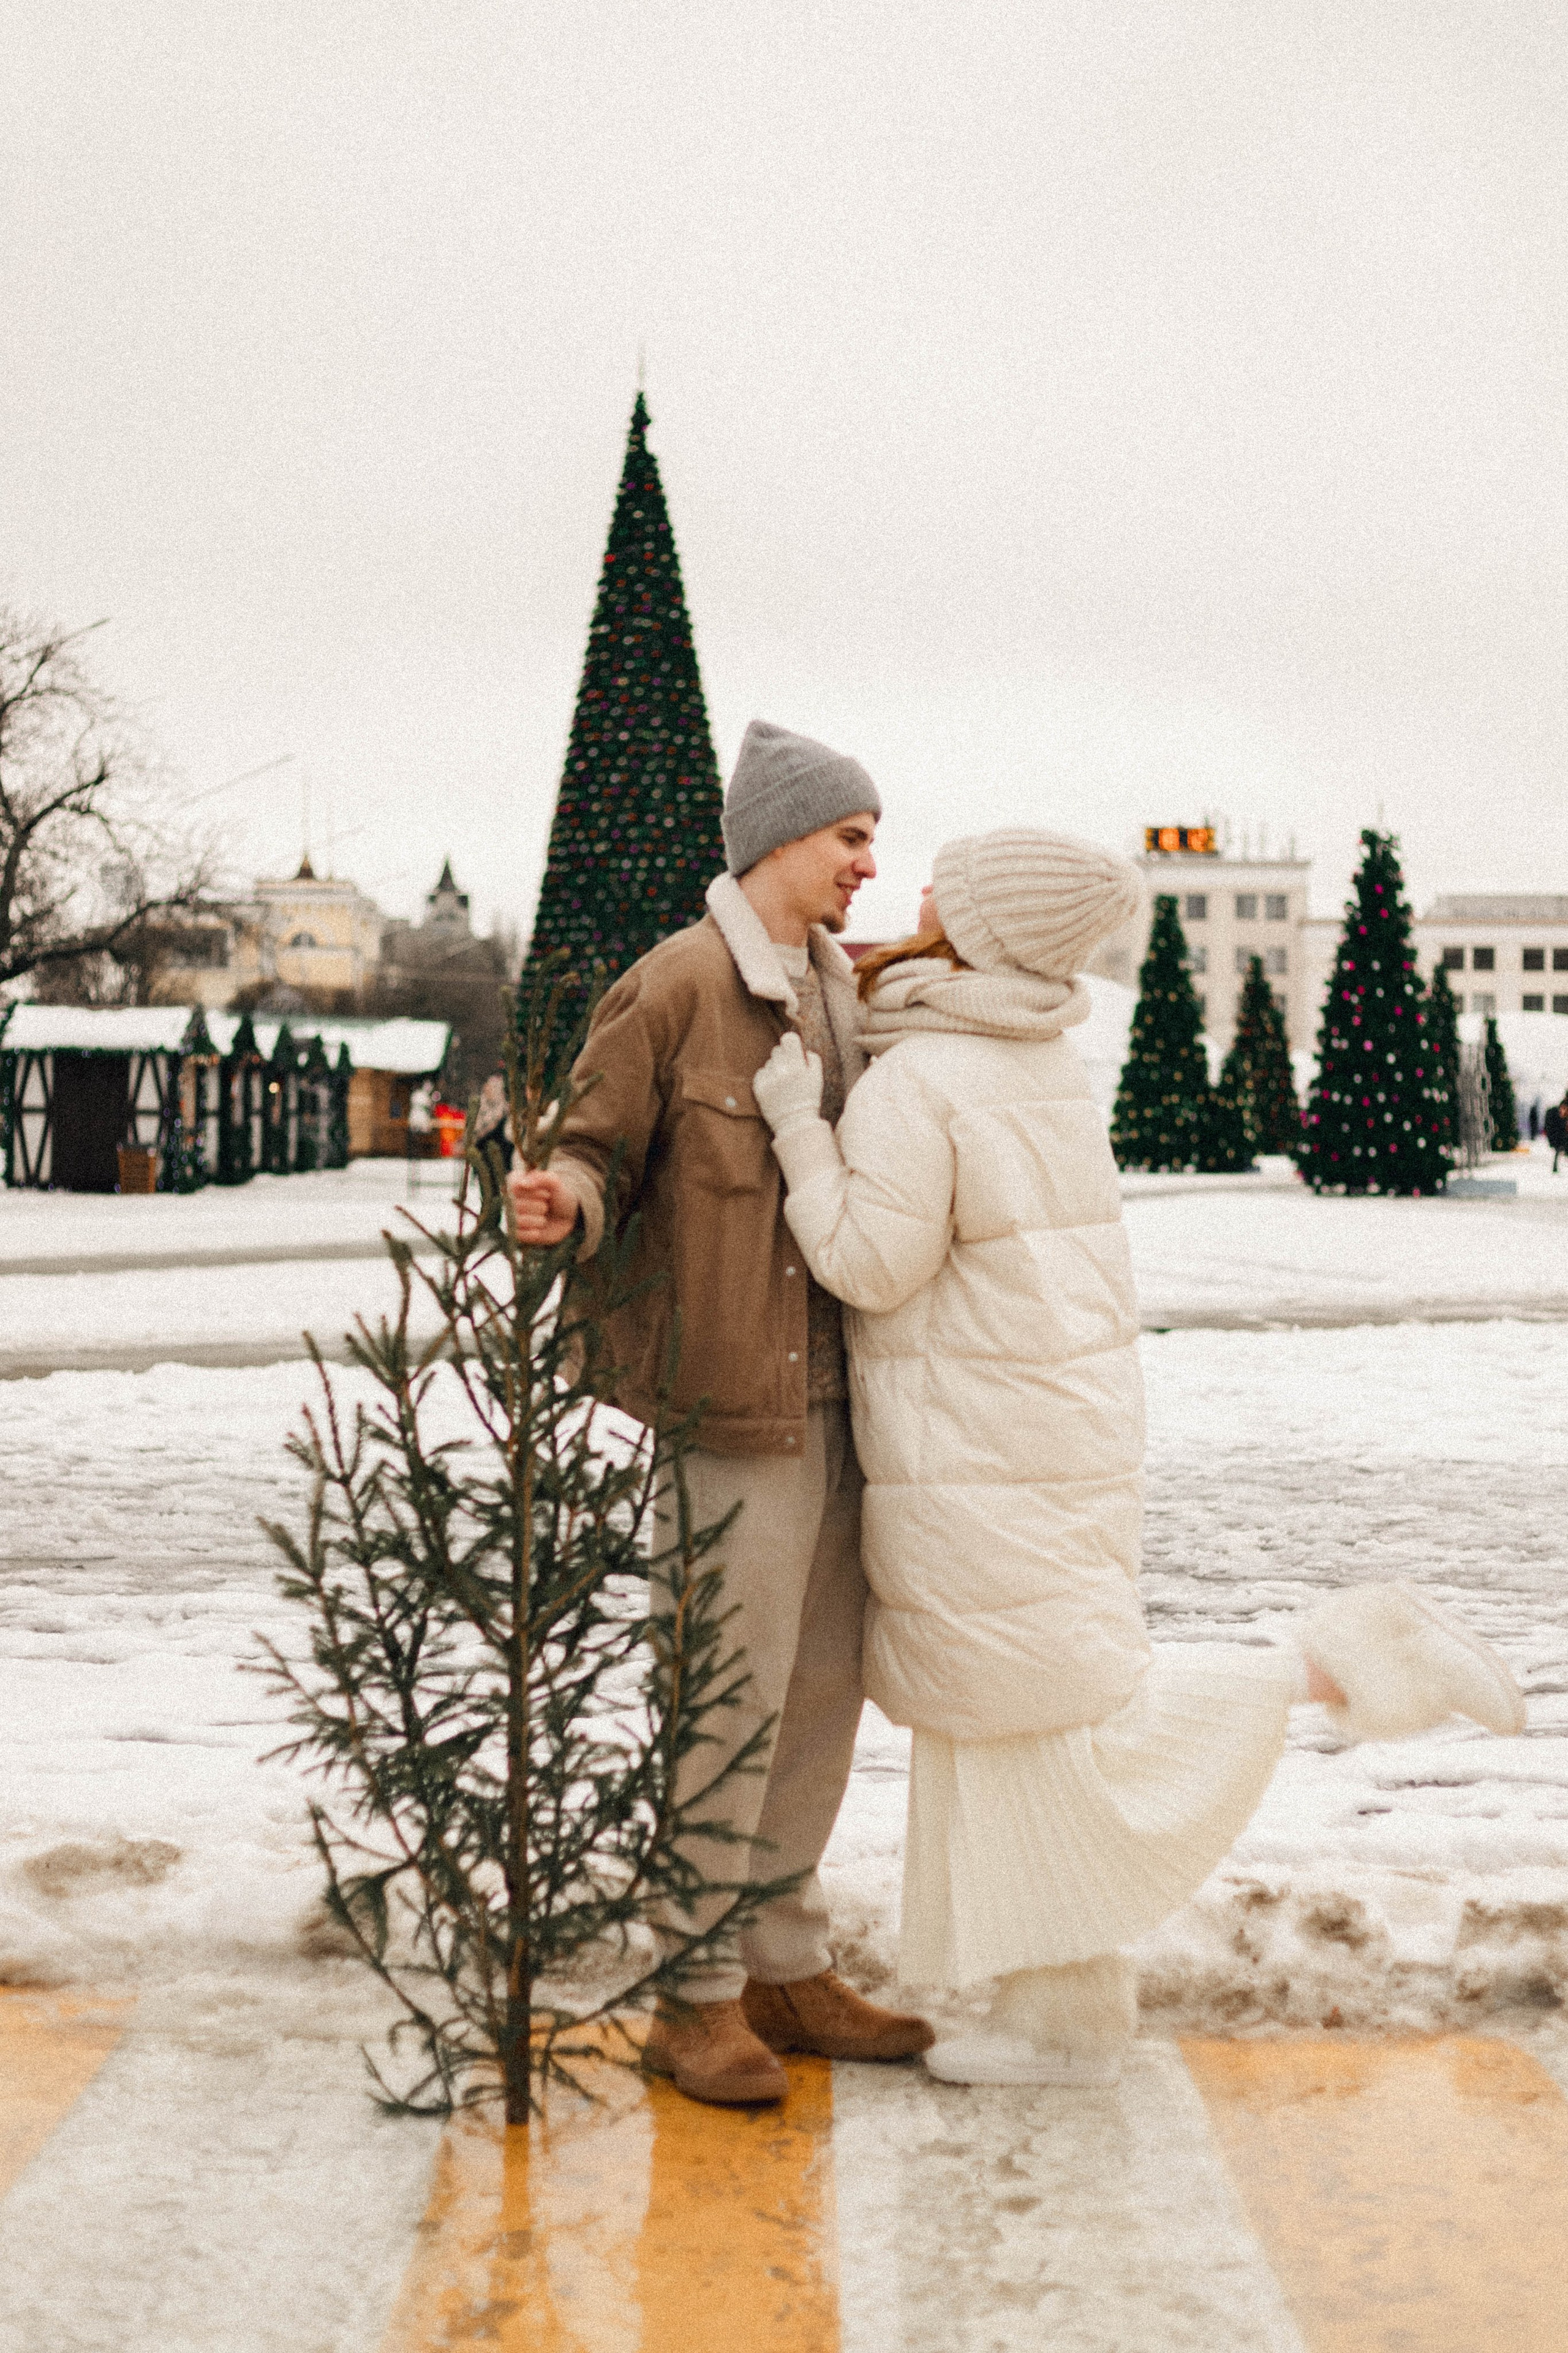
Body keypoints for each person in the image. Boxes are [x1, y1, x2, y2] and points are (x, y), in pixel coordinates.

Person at [752, 828, 1527, 2088]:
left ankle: (1317, 1670)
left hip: (973, 1447)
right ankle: (1056, 2000)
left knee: (1032, 1718)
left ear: (986, 927)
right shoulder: (1036, 1055)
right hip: (1051, 1422)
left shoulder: (925, 1074)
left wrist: (797, 1131)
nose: (925, 888)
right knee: (1045, 1707)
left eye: (955, 879)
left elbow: (866, 1264)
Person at [507, 720, 935, 2106]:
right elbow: (592, 1141)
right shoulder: (679, 984)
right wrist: (562, 1200)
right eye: (848, 837)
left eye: (873, 838)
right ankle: (691, 1993)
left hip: (845, 1407)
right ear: (775, 840)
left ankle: (781, 1962)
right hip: (726, 1412)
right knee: (721, 1699)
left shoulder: (845, 993)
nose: (868, 862)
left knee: (820, 1697)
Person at [1545, 1090, 1568, 1174]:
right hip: (1560, 1135)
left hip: (1562, 1134)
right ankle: (1555, 1168)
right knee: (1558, 1150)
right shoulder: (1556, 1114)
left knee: (1559, 1151)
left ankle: (1555, 1168)